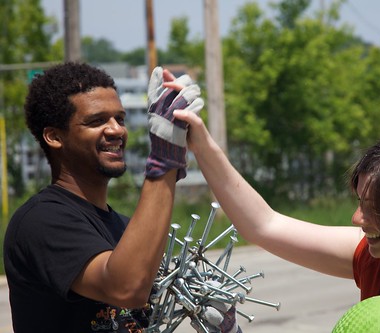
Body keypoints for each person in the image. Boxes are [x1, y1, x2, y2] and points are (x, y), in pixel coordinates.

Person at [174, 107, 380, 333]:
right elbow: (264, 226)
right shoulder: (379, 261)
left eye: (375, 209)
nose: (358, 218)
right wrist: (200, 142)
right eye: (360, 202)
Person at [3, 62, 238, 333]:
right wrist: (164, 160)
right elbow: (127, 288)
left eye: (120, 118)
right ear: (55, 137)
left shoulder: (125, 228)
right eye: (96, 120)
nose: (116, 130)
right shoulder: (41, 221)